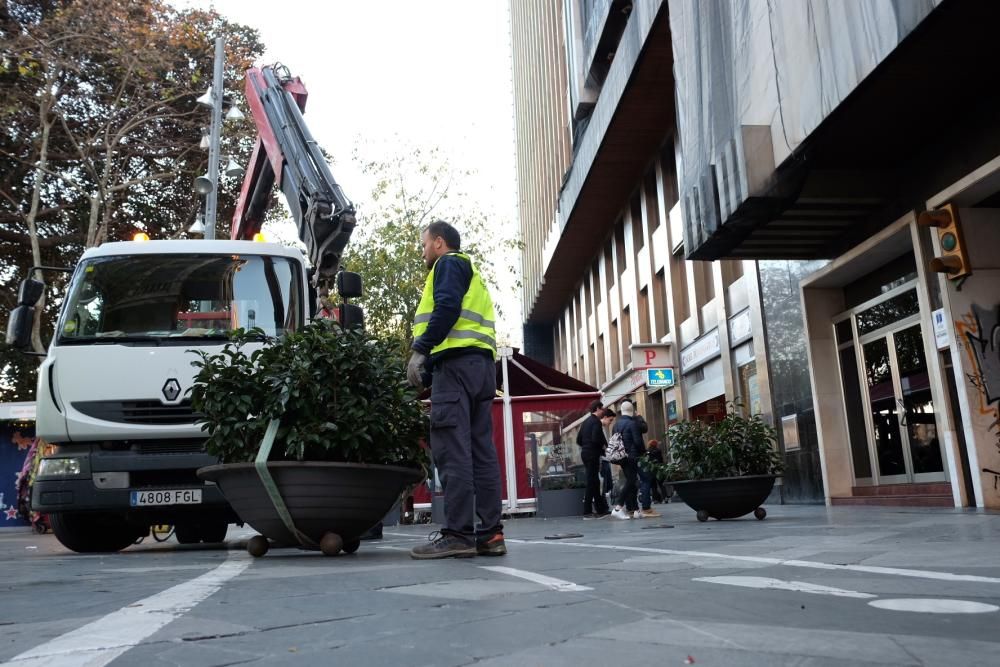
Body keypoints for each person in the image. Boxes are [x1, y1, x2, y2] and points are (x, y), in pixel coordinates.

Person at [406, 221, 505, 559]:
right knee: (481, 451)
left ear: (438, 242)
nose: (422, 253)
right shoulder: (472, 271)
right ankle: (491, 535)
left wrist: (420, 351)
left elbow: (446, 309)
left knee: (452, 449)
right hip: (481, 368)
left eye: (423, 245)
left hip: (457, 370)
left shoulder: (448, 264)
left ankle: (459, 534)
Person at [576, 400, 611, 518]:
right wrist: (603, 448)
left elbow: (578, 440)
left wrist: (586, 446)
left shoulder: (585, 422)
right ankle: (587, 511)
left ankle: (600, 509)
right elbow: (596, 438)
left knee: (594, 481)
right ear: (597, 409)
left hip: (585, 453)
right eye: (602, 409)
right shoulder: (596, 422)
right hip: (592, 454)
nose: (603, 411)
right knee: (592, 482)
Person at [610, 400, 644, 519]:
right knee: (631, 481)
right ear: (632, 411)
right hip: (632, 456)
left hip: (621, 457)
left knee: (631, 481)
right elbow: (638, 441)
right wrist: (643, 453)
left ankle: (635, 510)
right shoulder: (632, 423)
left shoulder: (616, 425)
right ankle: (618, 507)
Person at [638, 439, 663, 518]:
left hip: (651, 469)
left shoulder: (648, 451)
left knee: (653, 486)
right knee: (661, 484)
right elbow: (661, 459)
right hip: (658, 468)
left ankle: (655, 499)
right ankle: (665, 497)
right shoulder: (658, 450)